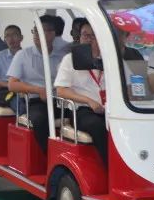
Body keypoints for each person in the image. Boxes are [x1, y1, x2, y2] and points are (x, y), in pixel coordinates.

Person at [54, 21, 144, 162]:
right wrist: (89, 101)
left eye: (93, 35)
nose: (89, 39)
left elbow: (130, 84)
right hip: (83, 110)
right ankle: (112, 166)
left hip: (112, 108)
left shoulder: (110, 58)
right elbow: (61, 91)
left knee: (135, 125)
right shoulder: (70, 59)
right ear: (79, 37)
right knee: (98, 127)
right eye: (85, 35)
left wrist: (134, 93)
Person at [6, 15, 69, 151]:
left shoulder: (62, 56)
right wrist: (38, 90)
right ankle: (49, 154)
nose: (35, 34)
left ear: (52, 34)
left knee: (81, 116)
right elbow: (12, 84)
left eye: (41, 31)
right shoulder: (23, 55)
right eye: (35, 30)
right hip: (35, 101)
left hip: (58, 100)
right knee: (40, 119)